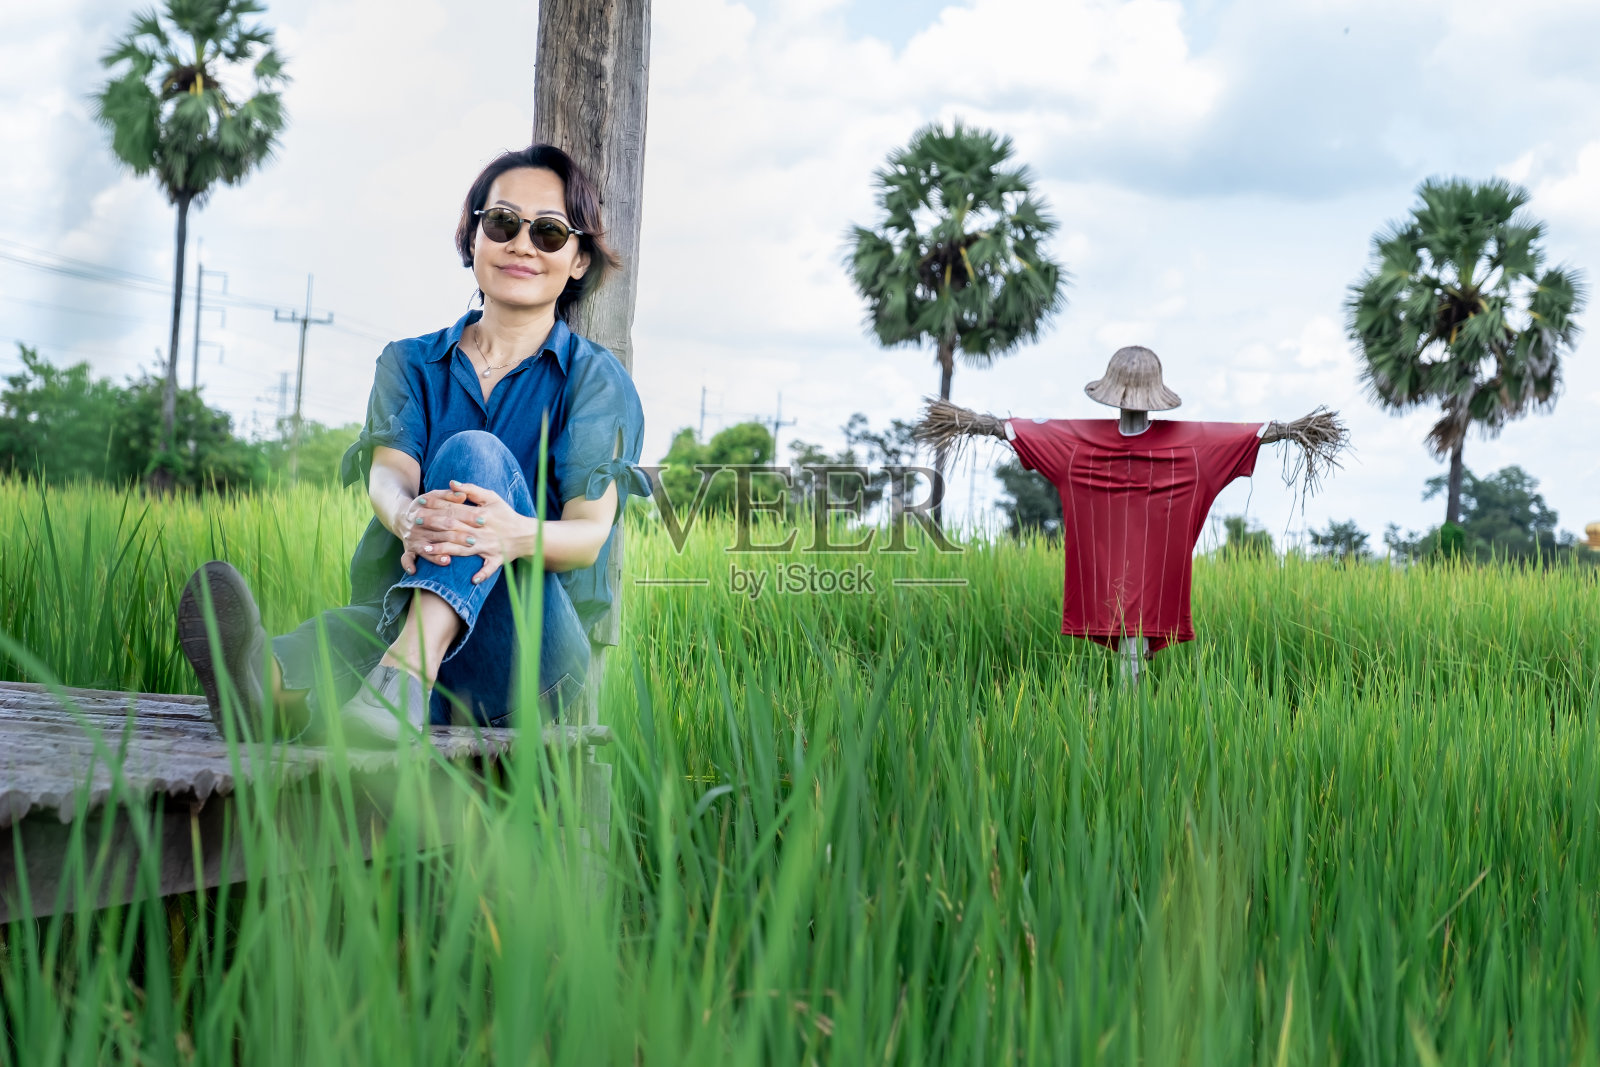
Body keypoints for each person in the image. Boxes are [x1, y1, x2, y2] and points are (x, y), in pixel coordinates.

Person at [175, 144, 652, 744]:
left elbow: (587, 536)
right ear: (473, 236)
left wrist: (509, 534)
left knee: (471, 454)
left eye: (551, 233)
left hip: (528, 660)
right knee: (351, 632)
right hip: (395, 616)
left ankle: (401, 680)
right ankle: (271, 689)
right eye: (502, 223)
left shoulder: (595, 381)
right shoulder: (409, 363)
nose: (522, 245)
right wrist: (409, 516)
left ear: (579, 259)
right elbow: (388, 476)